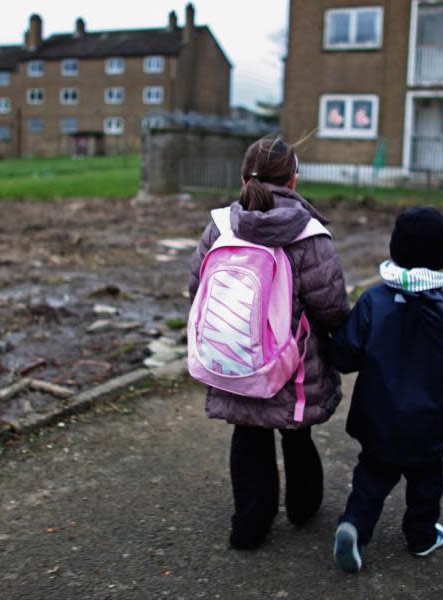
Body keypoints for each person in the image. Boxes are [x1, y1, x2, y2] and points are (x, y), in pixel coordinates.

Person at [188, 137, 349, 550]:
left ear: (243, 178)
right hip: (291, 367)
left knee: (248, 437)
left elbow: (197, 289)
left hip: (234, 358)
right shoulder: (309, 234)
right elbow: (330, 306)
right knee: (296, 436)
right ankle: (303, 507)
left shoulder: (220, 226)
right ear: (293, 179)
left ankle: (249, 527)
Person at [329, 206, 443, 573]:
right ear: (442, 256)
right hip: (425, 424)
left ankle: (354, 525)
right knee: (426, 484)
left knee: (370, 476)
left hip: (377, 420)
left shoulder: (373, 301)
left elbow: (347, 355)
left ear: (395, 248)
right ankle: (421, 536)